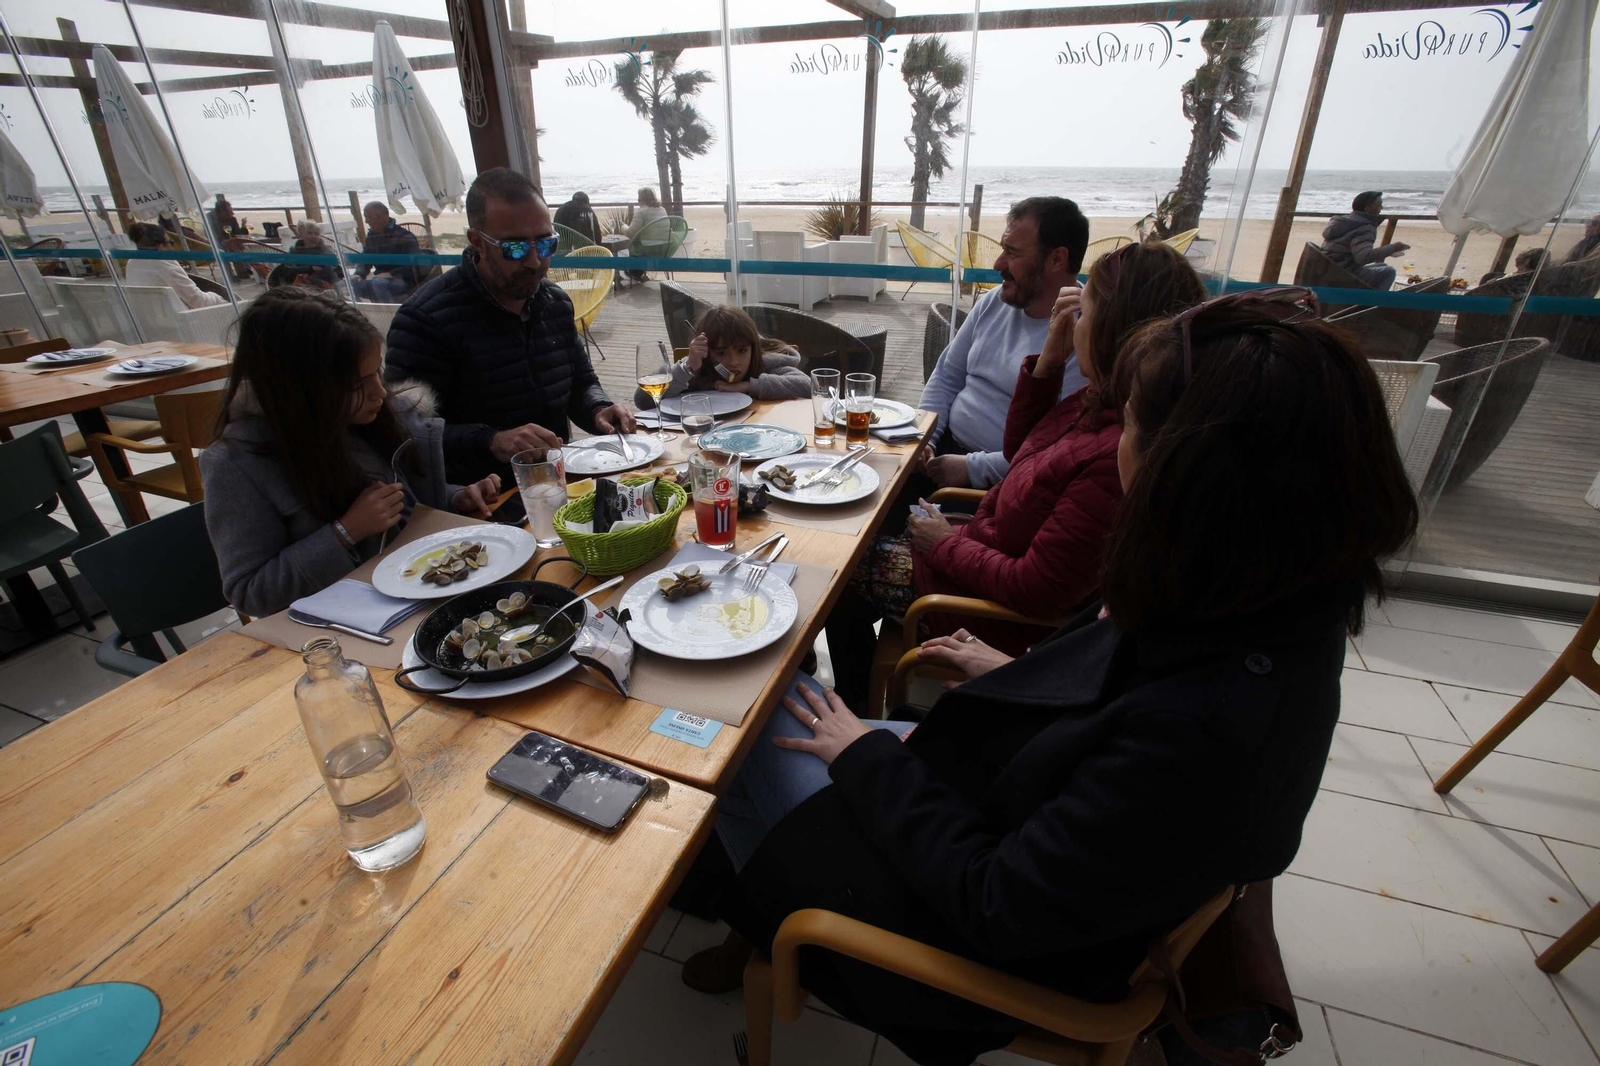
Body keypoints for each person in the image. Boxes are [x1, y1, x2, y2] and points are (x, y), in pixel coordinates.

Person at [687, 290, 1419, 1066]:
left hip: (958, 945)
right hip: (1004, 805)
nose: (1118, 443)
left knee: (739, 724)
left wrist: (862, 756)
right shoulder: (1268, 602)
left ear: (1191, 474)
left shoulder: (1202, 729)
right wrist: (1012, 672)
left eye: (1132, 421)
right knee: (783, 705)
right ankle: (748, 891)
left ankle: (765, 920)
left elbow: (995, 901)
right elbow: (1118, 740)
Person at [822, 239, 1206, 711]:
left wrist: (944, 543)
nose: (1070, 324)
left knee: (837, 572)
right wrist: (1049, 361)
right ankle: (854, 696)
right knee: (858, 539)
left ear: (1112, 332)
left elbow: (1037, 589)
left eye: (1082, 314)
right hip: (977, 550)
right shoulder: (1104, 404)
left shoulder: (1114, 454)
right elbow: (1022, 450)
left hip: (982, 611)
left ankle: (853, 706)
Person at [201, 288, 502, 619]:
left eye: (377, 371)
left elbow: (397, 507)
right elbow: (250, 593)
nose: (380, 391)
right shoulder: (236, 465)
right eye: (356, 384)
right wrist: (345, 532)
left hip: (421, 595)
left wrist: (456, 497)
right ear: (301, 388)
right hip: (339, 628)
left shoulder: (371, 419)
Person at [383, 167, 636, 485]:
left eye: (546, 245)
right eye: (514, 248)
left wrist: (599, 408)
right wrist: (492, 440)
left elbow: (581, 383)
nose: (534, 261)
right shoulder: (424, 321)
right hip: (479, 501)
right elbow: (403, 432)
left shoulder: (555, 303)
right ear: (477, 242)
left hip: (558, 484)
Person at [897, 197, 1090, 532]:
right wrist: (924, 437)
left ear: (1057, 258)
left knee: (881, 538)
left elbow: (1056, 450)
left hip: (998, 486)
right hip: (941, 454)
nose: (999, 262)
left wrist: (972, 468)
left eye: (1013, 253)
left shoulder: (1084, 335)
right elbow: (946, 375)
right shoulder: (993, 303)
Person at [632, 305, 810, 408]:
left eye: (742, 351)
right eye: (721, 353)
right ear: (708, 352)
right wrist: (688, 367)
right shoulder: (696, 369)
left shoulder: (766, 364)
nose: (733, 362)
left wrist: (747, 386)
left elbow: (809, 386)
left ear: (753, 348)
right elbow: (642, 400)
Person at [123, 222, 226, 309]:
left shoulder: (132, 262)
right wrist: (219, 298)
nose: (173, 248)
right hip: (182, 321)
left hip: (152, 320)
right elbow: (198, 301)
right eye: (170, 242)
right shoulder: (164, 264)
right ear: (161, 245)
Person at [1320, 191, 1409, 290]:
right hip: (1344, 275)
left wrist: (1388, 250)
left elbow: (1350, 249)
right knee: (1389, 271)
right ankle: (1374, 303)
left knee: (1382, 265)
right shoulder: (1364, 227)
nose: (1381, 208)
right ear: (1367, 209)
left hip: (1328, 270)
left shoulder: (1344, 221)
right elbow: (1364, 257)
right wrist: (1394, 247)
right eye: (1379, 205)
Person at [351, 201, 422, 302]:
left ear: (381, 217)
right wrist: (358, 274)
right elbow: (365, 258)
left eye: (369, 217)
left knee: (378, 283)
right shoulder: (372, 236)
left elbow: (415, 264)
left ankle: (389, 315)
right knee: (352, 283)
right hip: (378, 278)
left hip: (403, 280)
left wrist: (391, 274)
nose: (366, 221)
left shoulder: (404, 236)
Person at [623, 187, 667, 281]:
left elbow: (630, 233)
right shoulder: (662, 210)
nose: (638, 202)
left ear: (642, 200)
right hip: (664, 250)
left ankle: (635, 273)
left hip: (647, 251)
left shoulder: (641, 212)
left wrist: (623, 226)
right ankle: (640, 274)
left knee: (634, 245)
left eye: (639, 200)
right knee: (643, 242)